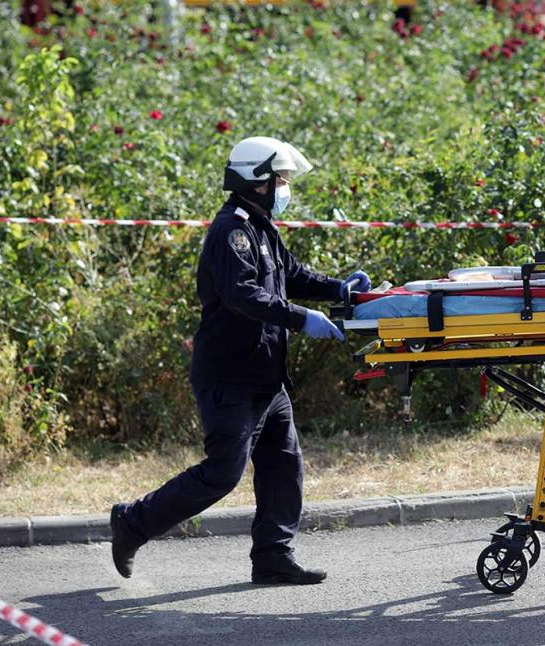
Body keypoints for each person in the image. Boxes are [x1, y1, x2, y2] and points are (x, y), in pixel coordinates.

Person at [109, 136, 369, 585]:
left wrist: (338, 289)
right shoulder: (232, 228)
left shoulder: (261, 226)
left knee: (283, 466)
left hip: (265, 375)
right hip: (229, 376)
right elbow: (242, 294)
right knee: (222, 473)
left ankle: (272, 556)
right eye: (280, 178)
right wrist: (300, 318)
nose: (285, 186)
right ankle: (132, 522)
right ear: (258, 180)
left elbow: (290, 273)